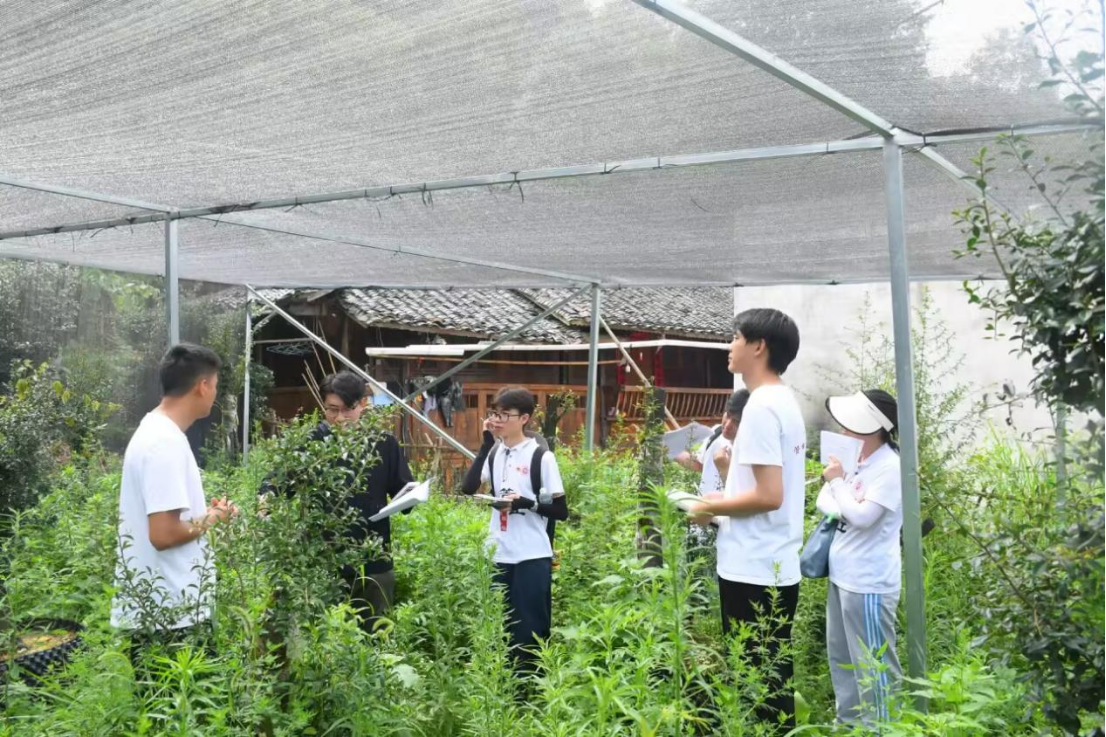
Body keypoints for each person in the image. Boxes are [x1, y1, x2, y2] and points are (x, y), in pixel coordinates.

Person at [687, 308, 806, 731]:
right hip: (773, 563)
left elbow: (769, 496)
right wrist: (723, 497)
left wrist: (710, 508)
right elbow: (767, 490)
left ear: (759, 346)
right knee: (772, 682)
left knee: (757, 687)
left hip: (752, 567)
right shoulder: (783, 400)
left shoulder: (760, 407)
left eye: (736, 337)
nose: (730, 346)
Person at [268, 371, 415, 631]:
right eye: (332, 409)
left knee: (376, 637)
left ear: (363, 404)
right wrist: (265, 503)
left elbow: (404, 492)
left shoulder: (383, 444)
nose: (339, 418)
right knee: (323, 636)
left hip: (373, 562)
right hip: (322, 563)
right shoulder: (310, 443)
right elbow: (276, 484)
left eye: (347, 410)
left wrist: (413, 496)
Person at [112, 343, 237, 642]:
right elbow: (164, 534)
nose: (215, 393)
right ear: (203, 386)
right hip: (170, 618)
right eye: (215, 385)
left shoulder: (157, 432)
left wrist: (206, 513)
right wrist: (214, 518)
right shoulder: (163, 443)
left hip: (162, 611)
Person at [460, 386, 568, 674]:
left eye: (505, 414)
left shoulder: (540, 457)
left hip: (531, 553)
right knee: (501, 624)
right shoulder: (495, 453)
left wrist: (525, 503)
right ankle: (506, 684)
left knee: (530, 627)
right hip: (498, 551)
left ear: (524, 418)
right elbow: (468, 488)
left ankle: (532, 685)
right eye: (495, 413)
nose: (498, 420)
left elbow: (561, 511)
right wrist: (485, 444)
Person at [816, 389, 903, 726]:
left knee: (874, 664)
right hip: (842, 576)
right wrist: (845, 500)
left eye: (850, 426)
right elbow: (824, 501)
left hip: (868, 582)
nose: (842, 432)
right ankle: (849, 724)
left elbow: (864, 517)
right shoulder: (857, 463)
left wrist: (839, 487)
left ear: (872, 428)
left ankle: (881, 729)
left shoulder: (890, 467)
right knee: (842, 657)